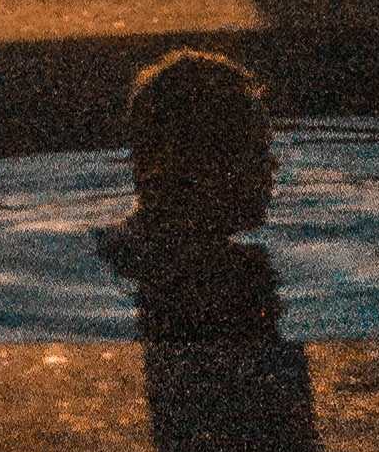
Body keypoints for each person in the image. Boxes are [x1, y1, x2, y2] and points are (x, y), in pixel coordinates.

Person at [97, 47, 284, 337]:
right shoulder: (231, 276)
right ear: (205, 163)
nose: (272, 164)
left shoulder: (117, 247)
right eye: (258, 149)